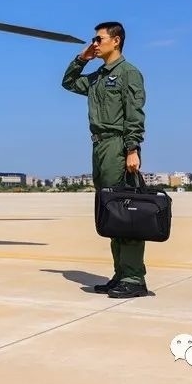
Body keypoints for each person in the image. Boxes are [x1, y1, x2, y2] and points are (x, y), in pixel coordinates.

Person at [61, 20, 148, 298]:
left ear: (116, 40)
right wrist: (81, 59)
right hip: (99, 147)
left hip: (117, 146)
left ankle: (134, 278)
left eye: (99, 39)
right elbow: (68, 83)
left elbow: (134, 113)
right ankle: (120, 274)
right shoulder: (98, 77)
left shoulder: (128, 73)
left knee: (125, 211)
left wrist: (132, 149)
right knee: (112, 213)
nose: (94, 44)